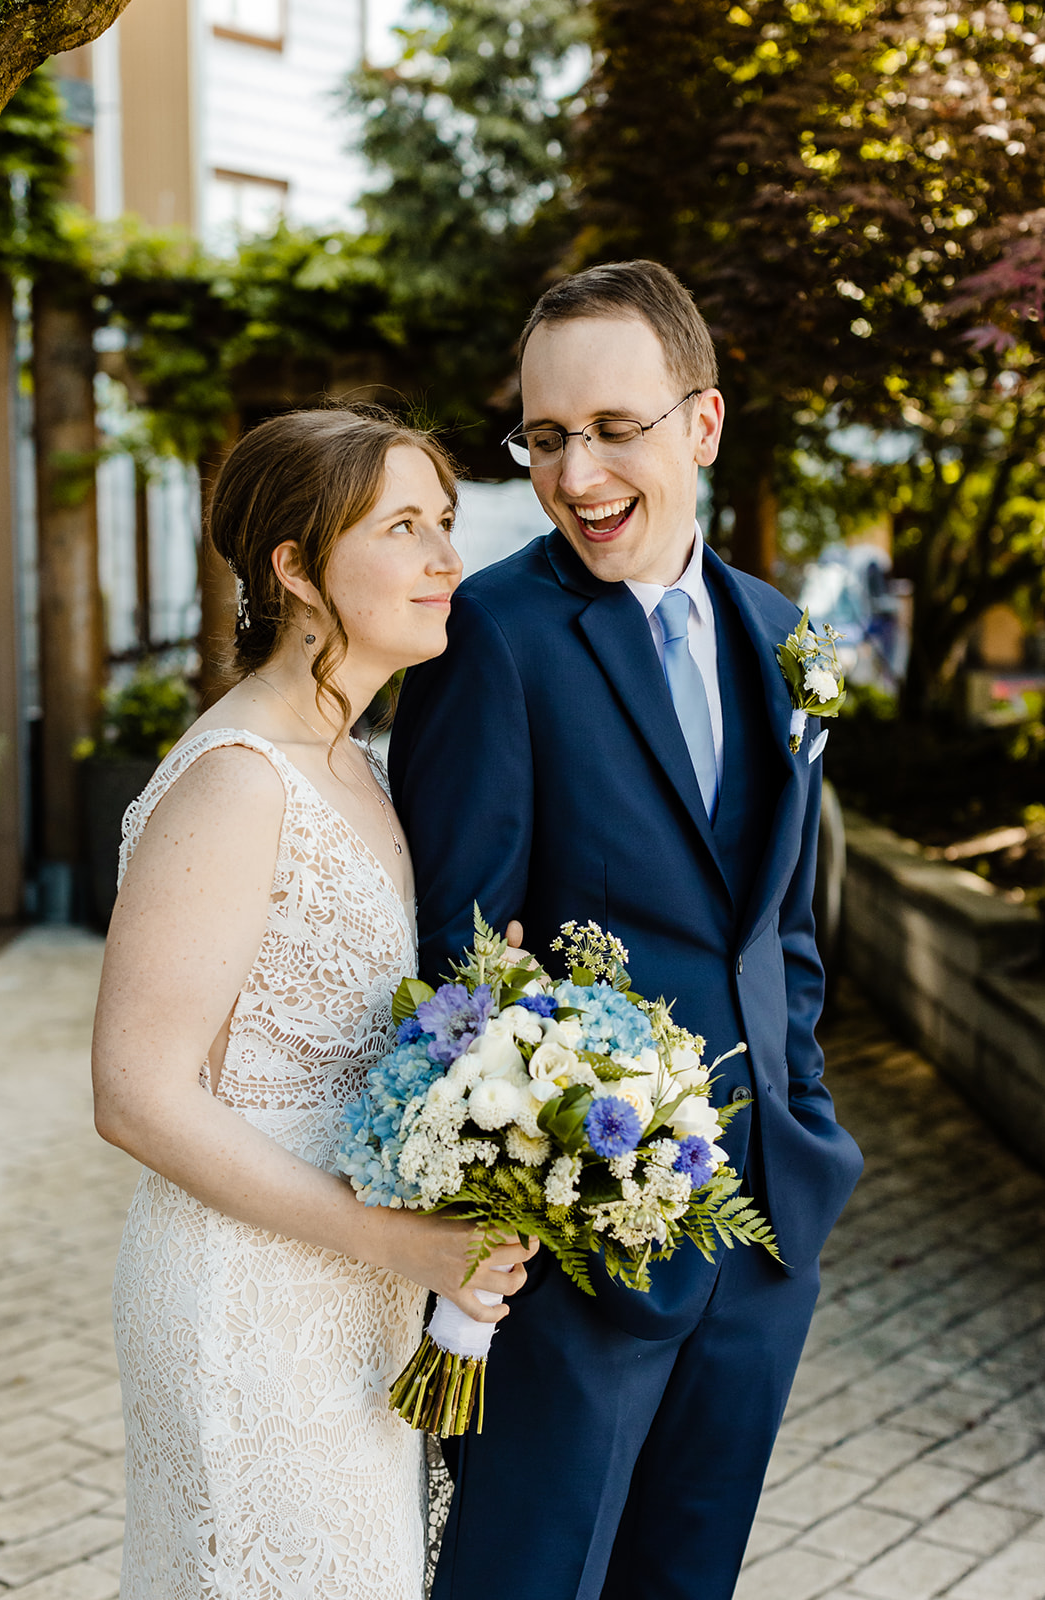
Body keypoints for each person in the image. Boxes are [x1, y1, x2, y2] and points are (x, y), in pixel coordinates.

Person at [389, 261, 864, 1600]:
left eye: (611, 429)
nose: (575, 472)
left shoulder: (782, 637)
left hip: (762, 1233)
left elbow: (778, 927)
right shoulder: (490, 636)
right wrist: (507, 1205)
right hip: (577, 1252)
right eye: (545, 437)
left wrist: (803, 1124)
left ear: (700, 426)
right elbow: (447, 959)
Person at [91, 407, 536, 1600]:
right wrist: (394, 1239)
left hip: (357, 1294)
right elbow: (134, 1094)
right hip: (250, 1294)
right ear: (294, 567)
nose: (448, 557)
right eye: (403, 526)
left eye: (443, 522)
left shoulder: (350, 761)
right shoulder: (239, 780)